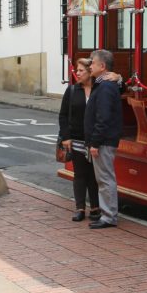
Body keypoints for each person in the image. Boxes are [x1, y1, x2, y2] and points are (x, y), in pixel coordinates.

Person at [84, 49, 123, 230]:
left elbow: (103, 117)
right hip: (104, 139)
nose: (89, 66)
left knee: (105, 178)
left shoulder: (106, 86)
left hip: (104, 140)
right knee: (104, 178)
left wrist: (95, 142)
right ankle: (107, 213)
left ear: (102, 66)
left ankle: (108, 216)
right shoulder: (105, 83)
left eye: (92, 62)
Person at [58, 59, 101, 222]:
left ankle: (96, 207)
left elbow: (121, 88)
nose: (77, 73)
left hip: (94, 140)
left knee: (94, 175)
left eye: (81, 70)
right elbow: (63, 115)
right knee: (80, 174)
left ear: (90, 72)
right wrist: (66, 137)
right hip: (76, 139)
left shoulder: (99, 89)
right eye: (77, 70)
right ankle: (80, 208)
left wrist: (117, 77)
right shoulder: (72, 91)